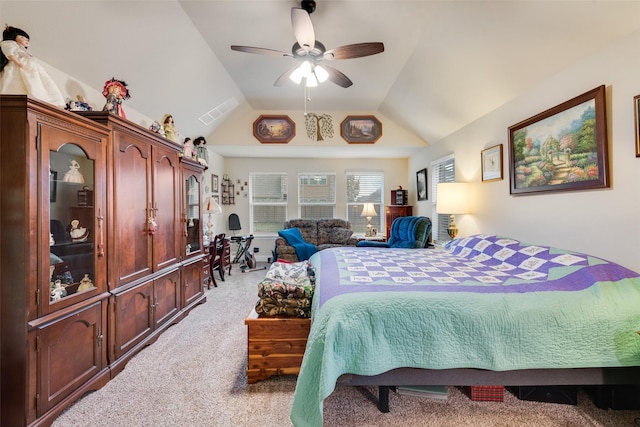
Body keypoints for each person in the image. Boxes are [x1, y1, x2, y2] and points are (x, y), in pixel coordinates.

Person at [0, 25, 65, 106]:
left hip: (30, 67)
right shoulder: (10, 44)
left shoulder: (23, 50)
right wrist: (19, 63)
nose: (26, 40)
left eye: (27, 39)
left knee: (36, 82)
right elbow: (9, 54)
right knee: (17, 82)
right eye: (22, 37)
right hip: (19, 66)